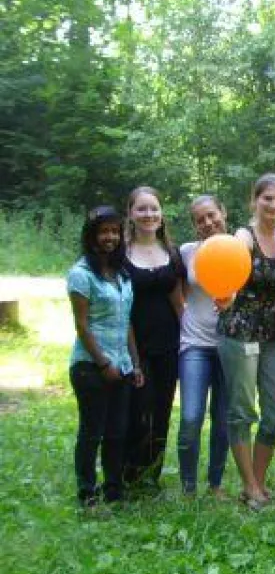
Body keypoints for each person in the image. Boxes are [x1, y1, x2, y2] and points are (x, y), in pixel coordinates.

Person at [217, 173, 275, 510]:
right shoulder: (243, 237)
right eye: (267, 199)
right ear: (254, 201)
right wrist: (226, 293)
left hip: (274, 335)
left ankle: (255, 482)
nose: (273, 205)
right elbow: (228, 269)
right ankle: (250, 485)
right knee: (242, 411)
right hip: (240, 330)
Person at [67, 206, 143, 507]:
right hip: (90, 367)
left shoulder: (122, 274)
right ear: (92, 235)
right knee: (92, 431)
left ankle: (114, 489)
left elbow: (127, 323)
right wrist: (103, 363)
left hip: (122, 364)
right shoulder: (81, 274)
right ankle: (87, 491)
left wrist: (134, 363)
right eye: (103, 231)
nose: (109, 237)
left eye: (114, 231)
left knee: (117, 432)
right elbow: (82, 325)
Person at [123, 186, 184, 494]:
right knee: (138, 411)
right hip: (134, 346)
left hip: (169, 345)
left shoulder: (171, 254)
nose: (149, 215)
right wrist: (132, 358)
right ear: (131, 214)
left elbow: (178, 302)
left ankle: (152, 477)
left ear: (162, 214)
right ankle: (129, 473)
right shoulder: (121, 255)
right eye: (141, 209)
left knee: (161, 411)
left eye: (154, 209)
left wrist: (188, 341)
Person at [177, 196, 231, 499]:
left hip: (229, 345)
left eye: (212, 215)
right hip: (195, 345)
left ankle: (215, 484)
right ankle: (188, 486)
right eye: (200, 220)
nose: (208, 223)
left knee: (223, 420)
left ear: (223, 212)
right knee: (191, 417)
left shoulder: (242, 249)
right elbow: (178, 293)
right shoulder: (186, 253)